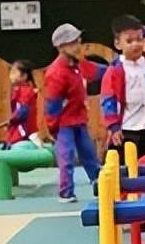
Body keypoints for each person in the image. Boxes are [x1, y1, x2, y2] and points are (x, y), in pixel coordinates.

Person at [43, 23, 102, 203]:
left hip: (79, 119)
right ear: (61, 47)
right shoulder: (56, 73)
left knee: (89, 153)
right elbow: (51, 104)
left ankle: (99, 184)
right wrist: (53, 127)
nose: (78, 44)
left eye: (78, 40)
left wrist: (116, 67)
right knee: (66, 156)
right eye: (73, 42)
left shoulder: (77, 65)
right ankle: (66, 192)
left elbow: (95, 71)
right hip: (63, 123)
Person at [101, 15, 145, 160]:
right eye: (129, 41)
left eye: (139, 39)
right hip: (128, 129)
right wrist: (113, 126)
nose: (135, 45)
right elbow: (108, 99)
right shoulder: (115, 70)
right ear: (117, 44)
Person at [0, 60, 39, 148]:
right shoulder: (19, 90)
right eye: (10, 73)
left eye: (14, 73)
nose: (11, 76)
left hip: (25, 130)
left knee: (12, 144)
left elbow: (22, 113)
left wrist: (10, 121)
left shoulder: (26, 91)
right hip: (17, 128)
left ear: (24, 76)